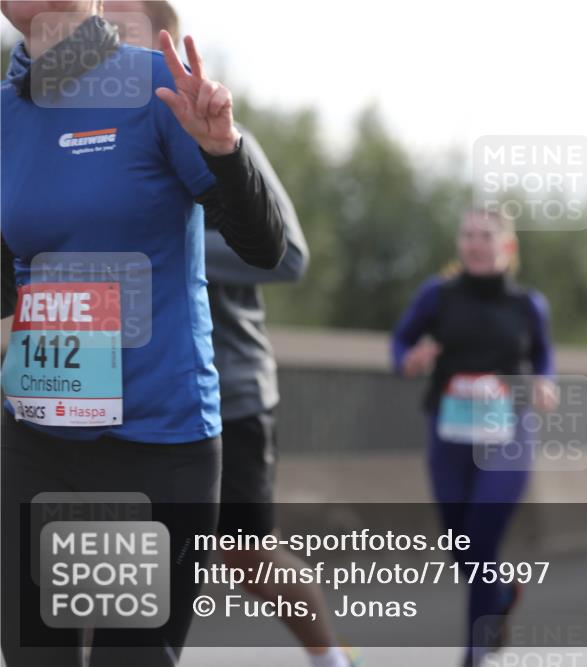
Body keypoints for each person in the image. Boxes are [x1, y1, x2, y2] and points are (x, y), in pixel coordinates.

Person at [1, 1, 287, 664]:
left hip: (153, 445)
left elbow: (265, 248)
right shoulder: (5, 114)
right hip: (35, 440)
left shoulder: (155, 85)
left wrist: (224, 151)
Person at [101, 3, 362, 665]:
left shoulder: (218, 133)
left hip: (229, 387)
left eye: (120, 27)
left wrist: (165, 242)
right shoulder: (93, 142)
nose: (101, 39)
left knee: (245, 552)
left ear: (168, 48)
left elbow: (291, 253)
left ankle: (331, 656)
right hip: (126, 388)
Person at [391, 209, 555, 667]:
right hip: (451, 433)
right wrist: (410, 359)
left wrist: (546, 381)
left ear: (507, 247)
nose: (476, 243)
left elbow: (544, 353)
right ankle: (500, 594)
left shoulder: (528, 305)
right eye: (468, 235)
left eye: (486, 235)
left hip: (508, 432)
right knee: (459, 544)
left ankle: (475, 652)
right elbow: (400, 342)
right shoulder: (437, 295)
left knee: (481, 538)